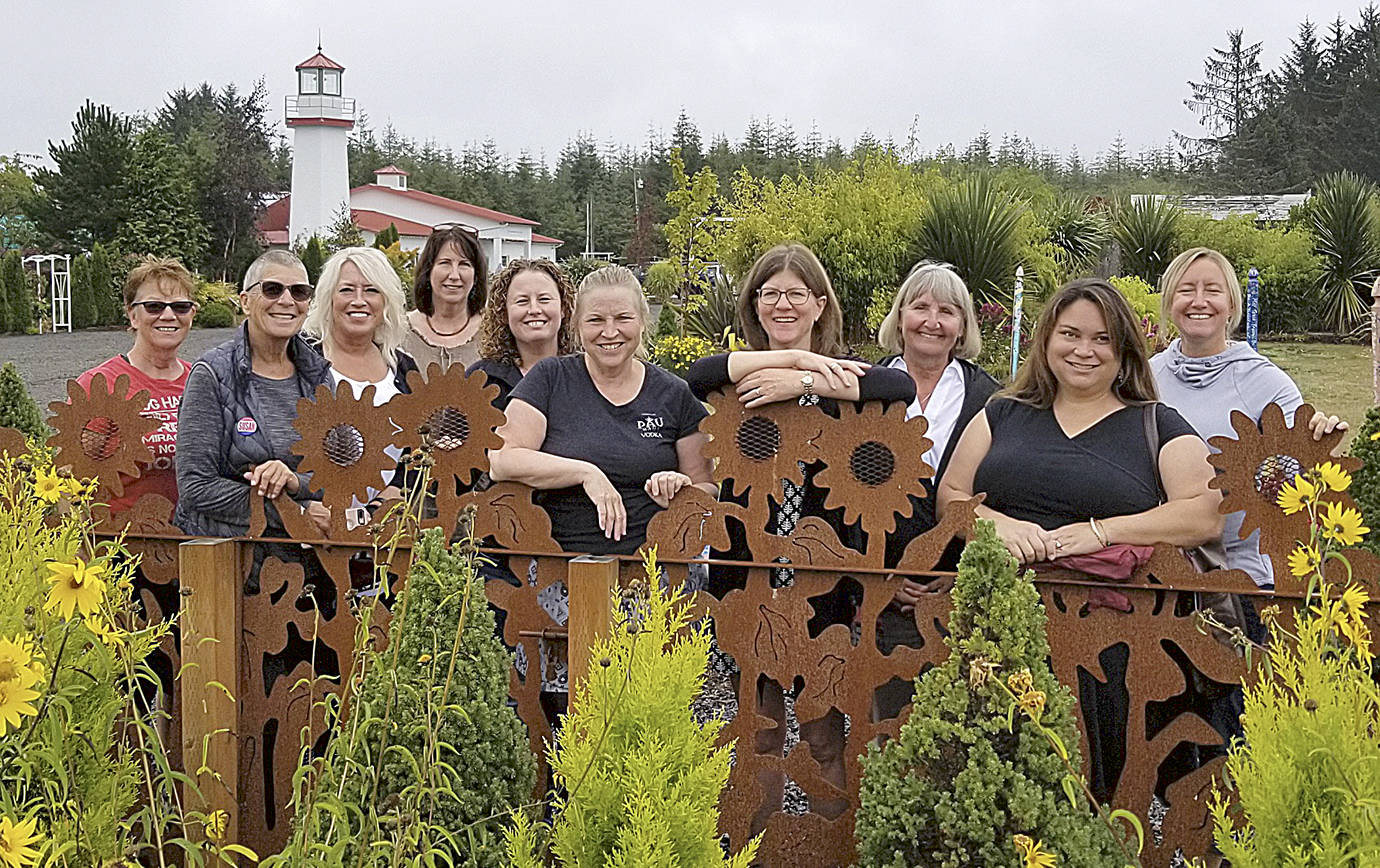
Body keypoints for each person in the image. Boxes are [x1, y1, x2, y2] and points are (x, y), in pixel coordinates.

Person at [938, 277, 1223, 800]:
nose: (1083, 350)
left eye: (1102, 339)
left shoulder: (1153, 423)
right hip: (1000, 625)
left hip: (1108, 645)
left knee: (1096, 784)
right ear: (1047, 339)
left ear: (1125, 352)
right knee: (994, 782)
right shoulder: (1003, 412)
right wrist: (998, 526)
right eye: (1070, 334)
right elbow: (952, 493)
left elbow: (1206, 512)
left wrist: (1099, 533)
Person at [684, 243, 914, 829]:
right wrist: (789, 369)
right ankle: (753, 850)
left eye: (796, 294)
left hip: (823, 582)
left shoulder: (842, 375)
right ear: (754, 305)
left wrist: (806, 383)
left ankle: (830, 845)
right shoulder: (734, 377)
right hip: (748, 578)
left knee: (823, 731)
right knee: (755, 730)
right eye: (770, 294)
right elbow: (699, 374)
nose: (782, 305)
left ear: (819, 304)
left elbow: (898, 389)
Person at [1152, 247, 1346, 589]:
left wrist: (1314, 441)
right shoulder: (1144, 379)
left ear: (1231, 305)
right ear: (1169, 302)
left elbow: (1295, 482)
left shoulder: (1265, 382)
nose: (1199, 301)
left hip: (1246, 579)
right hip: (1155, 577)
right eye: (1186, 290)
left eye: (1212, 290)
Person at [489, 265, 713, 555]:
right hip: (559, 566)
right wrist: (585, 473)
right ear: (577, 325)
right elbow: (502, 459)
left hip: (657, 570)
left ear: (642, 322)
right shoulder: (550, 378)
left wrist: (679, 489)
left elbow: (706, 489)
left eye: (623, 318)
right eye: (595, 320)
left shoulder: (673, 393)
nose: (610, 332)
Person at [871, 261, 999, 718]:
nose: (932, 321)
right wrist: (883, 577)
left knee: (961, 728)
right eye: (920, 307)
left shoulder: (991, 399)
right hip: (881, 594)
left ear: (962, 326)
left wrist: (959, 577)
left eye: (947, 310)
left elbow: (997, 492)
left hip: (960, 593)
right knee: (890, 727)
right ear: (900, 316)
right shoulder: (865, 389)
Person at [175, 250, 332, 538]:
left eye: (299, 292)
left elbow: (338, 475)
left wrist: (294, 482)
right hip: (232, 559)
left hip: (309, 559)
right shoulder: (212, 375)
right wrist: (294, 512)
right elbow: (196, 487)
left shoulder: (319, 377)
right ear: (245, 302)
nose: (287, 301)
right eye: (272, 289)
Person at [303, 246, 418, 525]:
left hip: (385, 529)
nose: (358, 300)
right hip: (314, 526)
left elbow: (417, 447)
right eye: (346, 290)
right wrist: (306, 504)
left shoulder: (403, 368)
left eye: (371, 290)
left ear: (386, 301)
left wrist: (394, 494)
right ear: (328, 298)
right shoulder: (303, 360)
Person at [76, 256, 199, 516]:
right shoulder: (100, 386)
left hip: (197, 542)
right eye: (154, 306)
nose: (168, 315)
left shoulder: (204, 381)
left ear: (192, 314)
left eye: (180, 307)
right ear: (132, 315)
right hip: (121, 544)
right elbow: (72, 480)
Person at [467, 258, 576, 410]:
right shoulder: (479, 379)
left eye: (544, 299)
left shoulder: (586, 373)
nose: (534, 310)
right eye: (522, 301)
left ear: (563, 308)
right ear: (503, 313)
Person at [402, 224, 488, 374]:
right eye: (445, 263)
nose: (454, 275)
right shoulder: (400, 334)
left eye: (464, 264)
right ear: (428, 271)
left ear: (476, 275)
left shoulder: (493, 333)